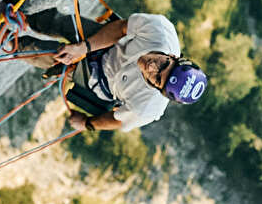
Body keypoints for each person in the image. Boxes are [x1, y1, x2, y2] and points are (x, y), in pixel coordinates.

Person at [11, 7, 207, 131]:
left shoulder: (147, 108)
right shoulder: (160, 30)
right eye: (164, 64)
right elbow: (122, 28)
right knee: (60, 23)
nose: (152, 67)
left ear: (158, 89)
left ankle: (9, 41)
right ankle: (22, 19)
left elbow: (118, 120)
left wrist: (87, 123)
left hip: (96, 80)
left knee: (46, 53)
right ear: (173, 56)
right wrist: (85, 47)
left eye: (157, 78)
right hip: (108, 44)